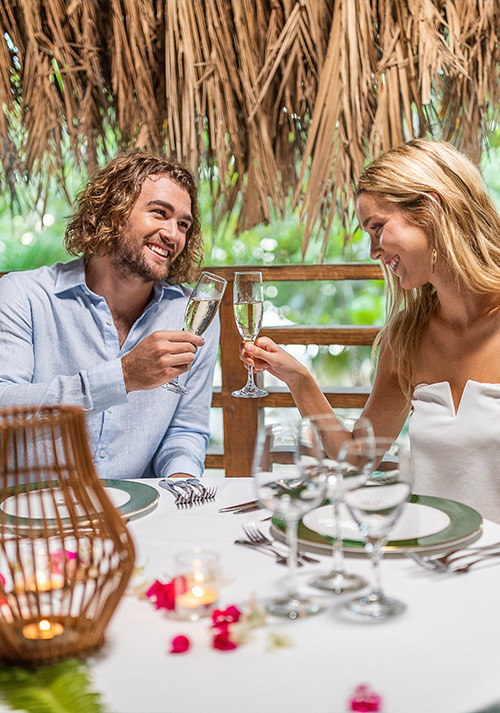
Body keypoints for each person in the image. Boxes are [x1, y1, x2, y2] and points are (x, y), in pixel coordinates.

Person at [241, 138, 500, 523]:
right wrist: (299, 380)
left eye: (377, 227)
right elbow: (357, 459)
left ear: (430, 209)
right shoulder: (407, 339)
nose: (373, 251)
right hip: (428, 562)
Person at [0, 151, 220, 480]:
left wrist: (181, 484)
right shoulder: (24, 294)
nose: (173, 234)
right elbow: (4, 408)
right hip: (35, 514)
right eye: (160, 213)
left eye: (183, 224)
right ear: (110, 213)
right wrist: (122, 376)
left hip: (143, 516)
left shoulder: (191, 314)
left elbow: (185, 431)